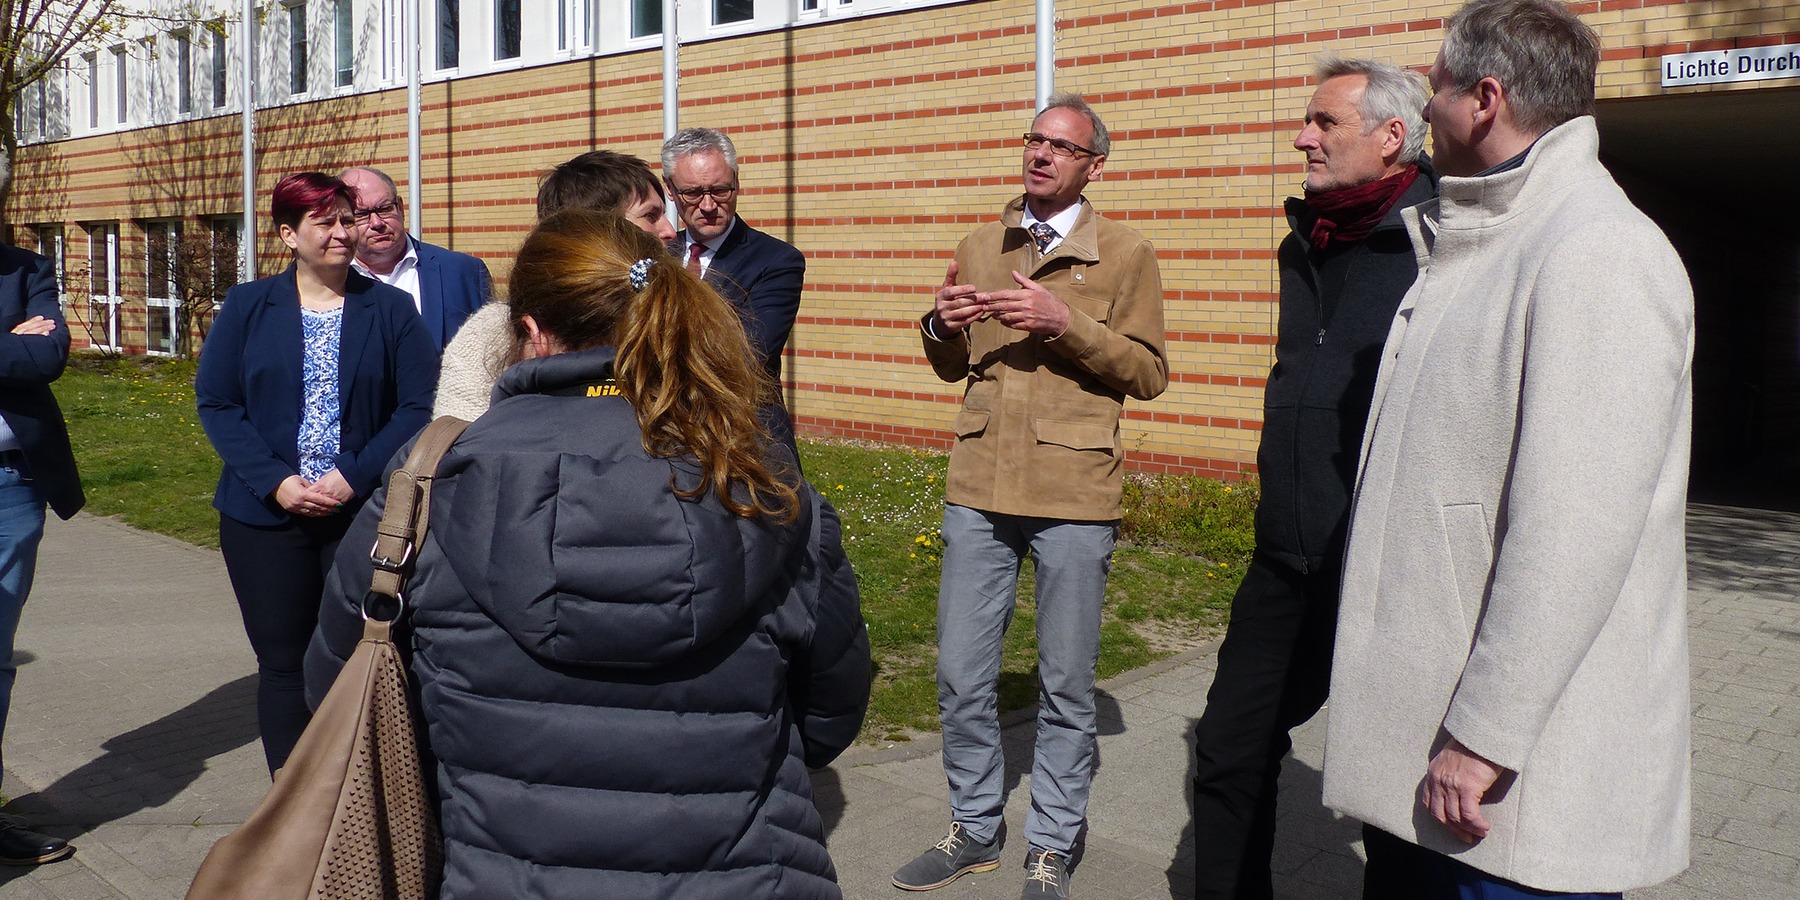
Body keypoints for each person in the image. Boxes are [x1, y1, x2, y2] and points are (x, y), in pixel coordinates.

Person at [305, 209, 870, 899]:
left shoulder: (425, 483)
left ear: (532, 332)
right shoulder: (762, 482)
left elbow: (338, 692)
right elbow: (830, 712)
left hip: (498, 874)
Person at [1323, 1, 1694, 897]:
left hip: (1501, 785)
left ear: (1484, 100)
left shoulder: (1597, 249)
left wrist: (1485, 735)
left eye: (1437, 87)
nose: (1423, 110)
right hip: (1434, 755)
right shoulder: (1492, 238)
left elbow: (1577, 527)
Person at [893, 93, 1168, 900]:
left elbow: (1148, 373)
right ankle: (975, 828)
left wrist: (1063, 322)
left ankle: (1051, 845)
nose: (1041, 154)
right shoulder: (982, 243)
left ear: (1094, 165)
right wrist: (940, 326)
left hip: (1073, 491)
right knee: (959, 674)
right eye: (1034, 140)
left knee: (1066, 685)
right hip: (979, 485)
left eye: (1062, 146)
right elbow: (953, 364)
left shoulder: (1125, 253)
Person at [1189, 58, 1436, 900]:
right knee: (1229, 747)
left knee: (1391, 787)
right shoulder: (1304, 241)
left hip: (1387, 570)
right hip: (1284, 560)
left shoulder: (1444, 242)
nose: (1302, 137)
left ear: (1391, 136)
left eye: (1324, 122)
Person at [195, 171, 439, 775]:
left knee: (356, 658)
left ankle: (350, 793)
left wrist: (353, 476)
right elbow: (218, 403)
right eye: (324, 222)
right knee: (283, 665)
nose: (343, 233)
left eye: (347, 220)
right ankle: (289, 796)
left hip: (358, 519)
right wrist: (277, 481)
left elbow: (417, 407)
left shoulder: (389, 309)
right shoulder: (249, 306)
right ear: (288, 234)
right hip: (264, 519)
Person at [433, 149, 676, 421]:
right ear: (595, 228)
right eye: (650, 216)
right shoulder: (490, 335)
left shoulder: (676, 315)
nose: (669, 231)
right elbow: (461, 438)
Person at [0, 241, 85, 866]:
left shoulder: (26, 268)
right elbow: (23, 354)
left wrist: (27, 345)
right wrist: (8, 341)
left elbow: (49, 355)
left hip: (11, 488)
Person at [662, 127, 806, 451]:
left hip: (743, 441)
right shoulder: (656, 257)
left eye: (720, 190)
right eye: (692, 193)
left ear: (737, 182)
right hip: (664, 441)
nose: (708, 205)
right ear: (670, 189)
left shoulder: (776, 260)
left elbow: (747, 355)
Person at [340, 166, 492, 349]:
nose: (377, 223)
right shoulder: (328, 283)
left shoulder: (464, 272)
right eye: (361, 214)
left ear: (401, 208)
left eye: (385, 208)